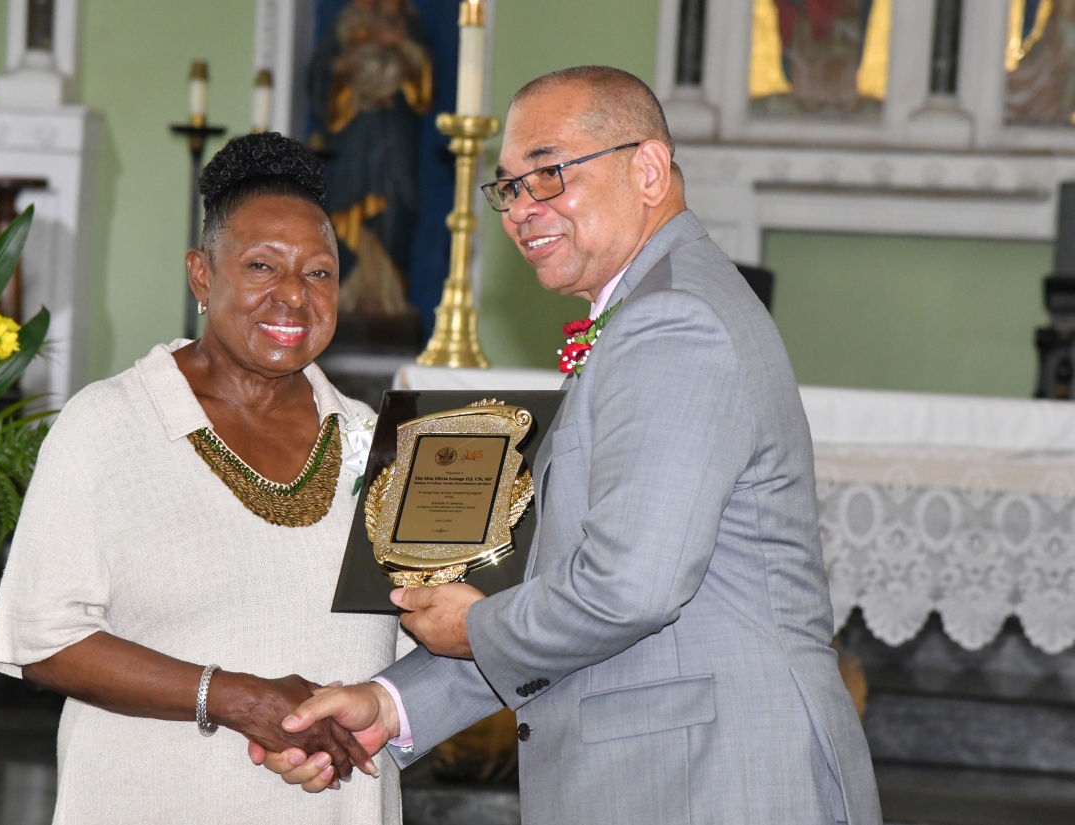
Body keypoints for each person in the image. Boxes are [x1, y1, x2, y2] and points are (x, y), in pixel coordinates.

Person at [258, 66, 883, 824]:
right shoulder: (654, 308)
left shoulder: (674, 320)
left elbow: (629, 589)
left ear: (647, 169)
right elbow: (571, 593)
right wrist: (390, 705)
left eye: (548, 174)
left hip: (715, 780)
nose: (522, 209)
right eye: (510, 188)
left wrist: (474, 625)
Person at [0, 132, 409, 824]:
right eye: (263, 266)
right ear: (202, 275)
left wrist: (378, 716)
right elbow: (41, 638)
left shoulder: (373, 440)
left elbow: (421, 650)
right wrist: (238, 698)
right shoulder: (110, 422)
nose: (294, 297)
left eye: (320, 272)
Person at [308, 0, 432, 316]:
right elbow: (322, 80)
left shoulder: (410, 28)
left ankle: (389, 299)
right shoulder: (348, 23)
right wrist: (346, 66)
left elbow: (424, 90)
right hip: (354, 138)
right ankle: (345, 297)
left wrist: (403, 49)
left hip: (393, 137)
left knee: (395, 212)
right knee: (346, 210)